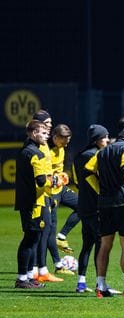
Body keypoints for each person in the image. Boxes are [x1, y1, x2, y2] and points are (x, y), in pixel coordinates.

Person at [85, 117, 124, 298]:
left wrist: (100, 189)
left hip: (105, 203)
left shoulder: (103, 151)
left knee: (105, 245)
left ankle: (100, 287)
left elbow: (88, 170)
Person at [14, 120, 53, 289]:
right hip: (33, 202)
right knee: (30, 239)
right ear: (33, 133)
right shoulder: (35, 153)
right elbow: (41, 180)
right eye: (43, 133)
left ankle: (29, 276)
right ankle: (22, 278)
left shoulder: (26, 150)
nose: (47, 136)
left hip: (29, 201)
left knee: (34, 238)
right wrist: (55, 181)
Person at [72, 124, 110, 293]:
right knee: (100, 244)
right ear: (97, 139)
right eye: (105, 137)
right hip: (96, 206)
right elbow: (101, 181)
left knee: (86, 245)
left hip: (83, 205)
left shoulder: (78, 155)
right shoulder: (97, 156)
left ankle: (81, 283)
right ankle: (99, 283)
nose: (108, 140)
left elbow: (76, 181)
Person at [30, 110, 64, 283]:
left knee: (45, 230)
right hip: (40, 195)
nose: (50, 125)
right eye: (47, 122)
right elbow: (41, 175)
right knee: (41, 231)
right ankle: (37, 270)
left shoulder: (42, 144)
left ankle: (36, 270)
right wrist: (54, 179)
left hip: (47, 192)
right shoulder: (37, 146)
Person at [46, 124, 80, 275]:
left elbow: (56, 170)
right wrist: (54, 177)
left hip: (61, 189)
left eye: (69, 139)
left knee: (84, 206)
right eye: (64, 140)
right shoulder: (46, 151)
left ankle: (62, 236)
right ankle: (58, 266)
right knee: (49, 230)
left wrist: (62, 175)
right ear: (55, 137)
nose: (67, 143)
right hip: (50, 192)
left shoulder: (61, 148)